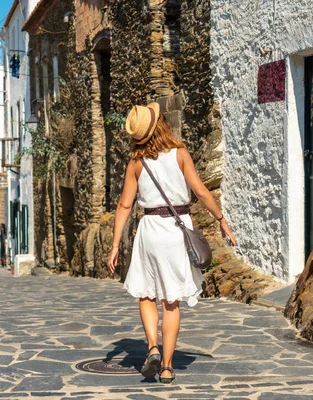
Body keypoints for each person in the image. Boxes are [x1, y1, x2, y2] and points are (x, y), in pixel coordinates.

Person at [107, 102, 237, 384]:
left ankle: (152, 346)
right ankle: (166, 366)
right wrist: (221, 219)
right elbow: (201, 191)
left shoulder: (136, 163)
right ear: (161, 125)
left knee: (146, 294)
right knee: (171, 301)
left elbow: (125, 205)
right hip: (177, 229)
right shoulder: (180, 154)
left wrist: (115, 244)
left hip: (150, 230)